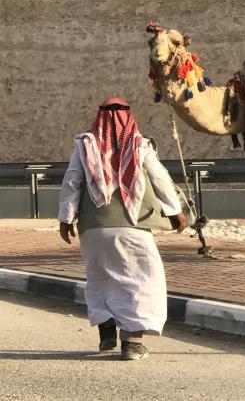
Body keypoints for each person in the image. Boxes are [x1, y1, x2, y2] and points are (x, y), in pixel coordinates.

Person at [58, 97, 187, 361]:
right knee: (142, 279)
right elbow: (160, 177)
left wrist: (65, 218)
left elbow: (72, 181)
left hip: (92, 229)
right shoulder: (140, 145)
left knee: (100, 277)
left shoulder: (84, 146)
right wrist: (176, 211)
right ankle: (132, 342)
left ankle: (106, 328)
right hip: (132, 227)